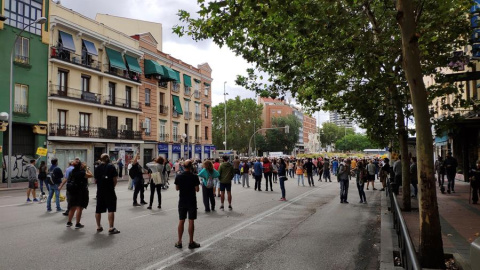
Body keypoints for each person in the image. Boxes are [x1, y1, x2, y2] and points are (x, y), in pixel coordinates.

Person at [174, 159, 200, 249]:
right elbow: (197, 189)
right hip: (192, 200)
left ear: (183, 167)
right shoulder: (194, 176)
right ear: (191, 167)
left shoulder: (179, 176)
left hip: (182, 200)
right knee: (191, 220)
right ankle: (191, 242)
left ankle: (179, 241)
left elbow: (177, 188)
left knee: (181, 220)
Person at [94, 154, 120, 234]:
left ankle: (98, 226)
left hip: (100, 191)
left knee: (98, 209)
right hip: (109, 190)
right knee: (111, 209)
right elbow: (115, 180)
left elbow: (95, 181)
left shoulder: (97, 168)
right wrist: (113, 187)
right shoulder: (111, 167)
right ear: (108, 158)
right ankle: (111, 227)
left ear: (101, 159)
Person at [63, 161, 92, 228]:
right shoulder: (82, 173)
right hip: (81, 191)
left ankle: (69, 222)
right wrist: (87, 168)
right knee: (79, 207)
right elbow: (91, 175)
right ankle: (77, 223)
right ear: (80, 166)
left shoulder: (71, 172)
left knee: (72, 207)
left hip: (73, 191)